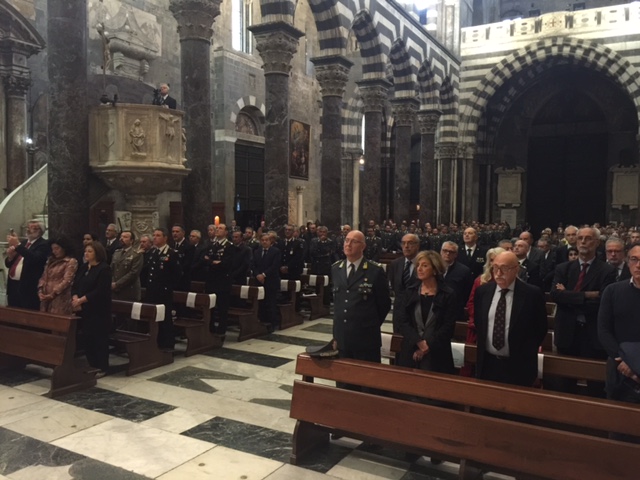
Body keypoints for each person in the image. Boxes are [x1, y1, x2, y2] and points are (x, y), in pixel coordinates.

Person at [551, 226, 617, 397]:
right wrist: (587, 295)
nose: (583, 242)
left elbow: (602, 301)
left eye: (588, 238)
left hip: (592, 333)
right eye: (580, 238)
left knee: (596, 385)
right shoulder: (563, 268)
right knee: (564, 385)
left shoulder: (606, 270)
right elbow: (556, 296)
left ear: (596, 242)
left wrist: (569, 295)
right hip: (567, 332)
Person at [474, 251, 548, 387]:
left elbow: (540, 328)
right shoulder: (483, 292)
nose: (498, 273)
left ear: (516, 269)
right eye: (495, 267)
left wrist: (525, 350)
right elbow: (480, 325)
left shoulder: (532, 294)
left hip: (519, 364)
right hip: (488, 364)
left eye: (504, 268)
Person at [332, 230, 391, 369]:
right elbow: (338, 303)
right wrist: (336, 335)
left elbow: (384, 304)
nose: (348, 244)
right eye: (346, 240)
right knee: (343, 384)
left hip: (366, 338)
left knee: (367, 384)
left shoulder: (374, 270)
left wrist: (368, 324)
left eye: (354, 241)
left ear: (363, 246)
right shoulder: (336, 268)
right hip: (342, 337)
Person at [396, 250, 457, 374]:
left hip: (437, 352)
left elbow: (448, 326)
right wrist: (418, 342)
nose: (419, 269)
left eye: (424, 265)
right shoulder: (410, 291)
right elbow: (403, 320)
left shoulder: (447, 294)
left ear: (435, 269)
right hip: (411, 349)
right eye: (418, 265)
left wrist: (427, 346)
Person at [598, 243, 640, 416]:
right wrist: (622, 362)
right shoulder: (613, 291)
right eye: (634, 259)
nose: (639, 265)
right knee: (618, 428)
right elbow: (603, 329)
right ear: (628, 262)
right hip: (619, 370)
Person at [72, 241, 112, 378]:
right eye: (85, 251)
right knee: (87, 338)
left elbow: (101, 291)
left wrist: (82, 300)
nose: (86, 253)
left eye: (90, 251)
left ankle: (102, 367)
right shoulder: (84, 267)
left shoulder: (104, 269)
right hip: (84, 309)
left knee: (99, 339)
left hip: (98, 310)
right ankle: (92, 364)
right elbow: (76, 284)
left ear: (97, 253)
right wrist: (75, 297)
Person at [144, 228, 181, 349]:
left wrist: (167, 287)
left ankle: (167, 344)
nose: (155, 237)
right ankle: (156, 342)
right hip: (152, 291)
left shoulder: (171, 253)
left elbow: (177, 274)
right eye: (154, 235)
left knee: (165, 319)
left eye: (158, 235)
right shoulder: (153, 253)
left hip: (164, 292)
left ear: (165, 238)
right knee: (154, 318)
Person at [5, 220, 51, 310]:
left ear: (40, 231)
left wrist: (17, 244)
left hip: (28, 287)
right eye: (28, 227)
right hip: (13, 285)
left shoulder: (43, 244)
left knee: (26, 314)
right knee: (12, 313)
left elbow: (34, 258)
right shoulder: (23, 243)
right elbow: (9, 264)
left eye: (33, 228)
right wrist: (10, 257)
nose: (29, 230)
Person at [387, 233, 420, 332]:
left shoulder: (423, 263)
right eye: (403, 243)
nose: (406, 246)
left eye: (410, 243)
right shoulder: (395, 264)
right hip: (399, 312)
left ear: (417, 245)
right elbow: (394, 285)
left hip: (417, 312)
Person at [38, 236, 78, 314]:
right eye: (52, 249)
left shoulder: (70, 261)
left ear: (64, 248)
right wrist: (40, 291)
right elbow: (43, 277)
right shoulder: (50, 260)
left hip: (60, 298)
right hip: (45, 298)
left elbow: (67, 280)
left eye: (57, 248)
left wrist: (53, 293)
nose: (54, 251)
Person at [252, 233, 282, 331]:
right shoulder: (257, 251)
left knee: (271, 302)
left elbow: (275, 266)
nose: (264, 242)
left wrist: (264, 275)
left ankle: (273, 323)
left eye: (267, 240)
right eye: (263, 240)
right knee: (261, 303)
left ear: (270, 241)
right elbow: (253, 265)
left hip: (271, 280)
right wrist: (257, 275)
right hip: (259, 281)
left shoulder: (275, 251)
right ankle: (262, 321)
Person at [110, 230, 143, 301]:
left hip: (129, 291)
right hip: (115, 291)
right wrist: (112, 282)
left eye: (125, 237)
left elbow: (133, 273)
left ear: (131, 241)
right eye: (121, 237)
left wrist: (117, 284)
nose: (121, 239)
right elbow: (111, 269)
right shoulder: (116, 253)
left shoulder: (136, 254)